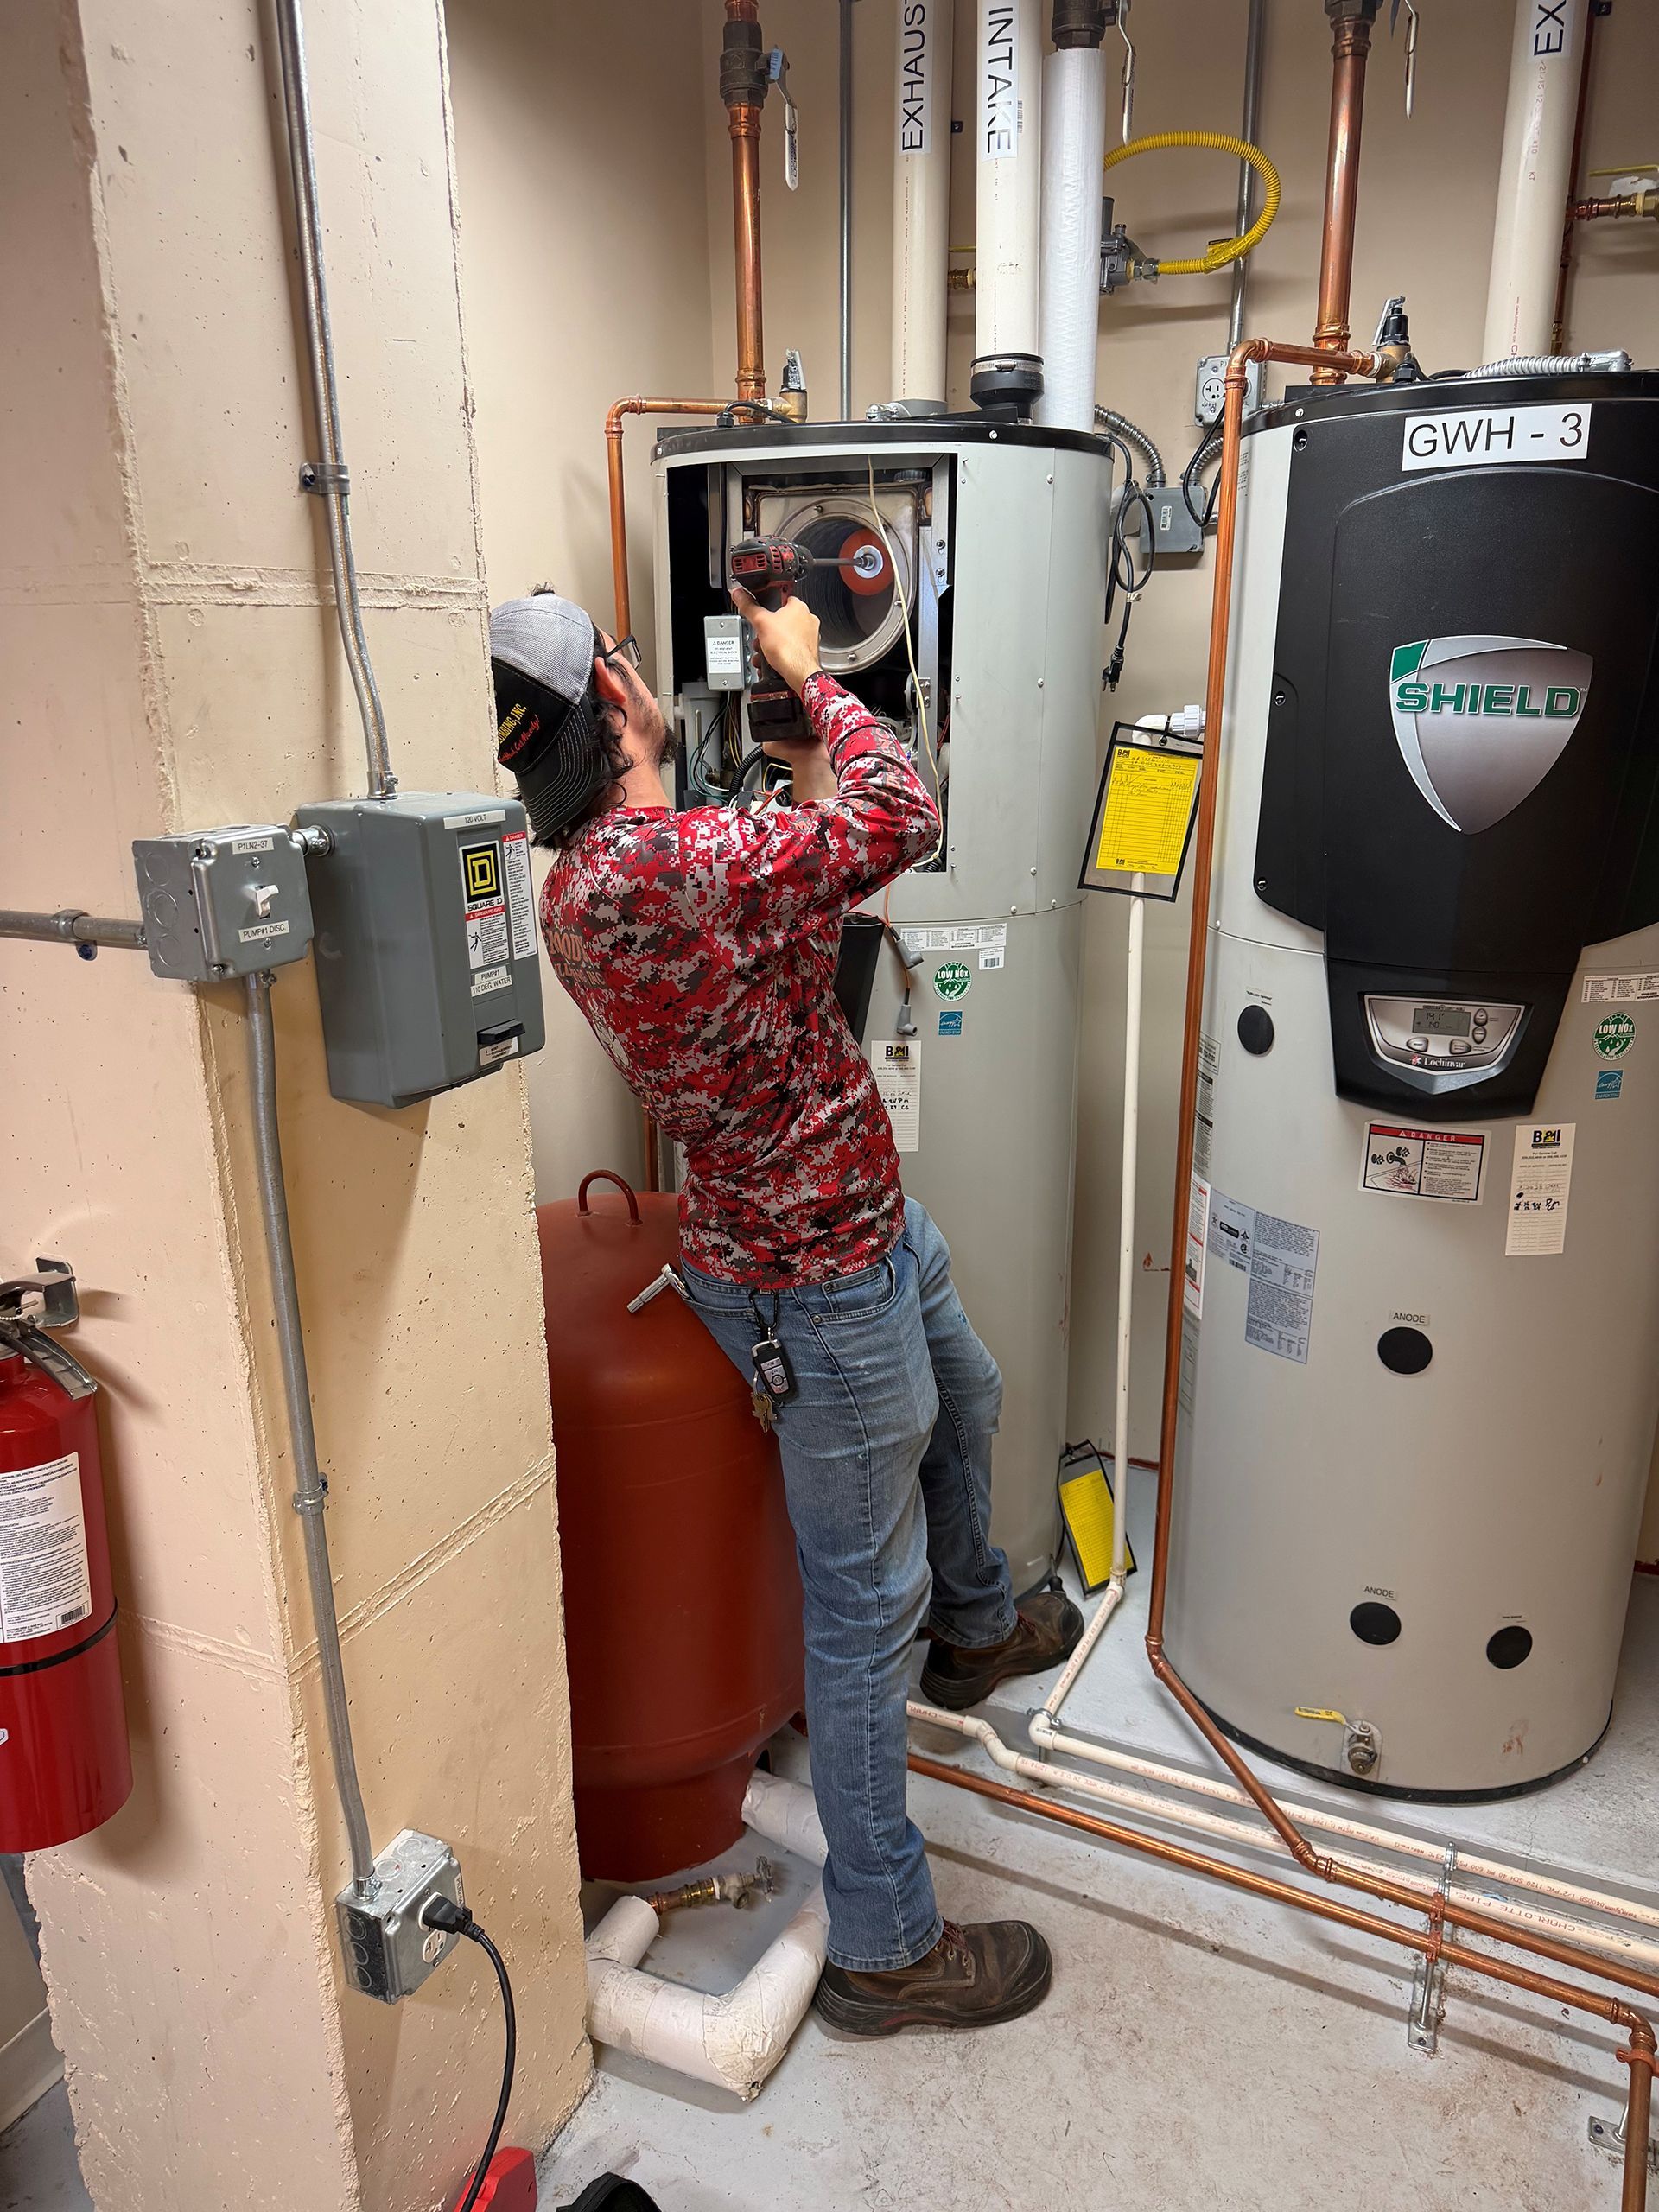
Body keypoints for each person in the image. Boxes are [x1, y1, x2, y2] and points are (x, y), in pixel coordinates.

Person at [490, 582, 1082, 2035]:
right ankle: (887, 1943)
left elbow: (753, 906)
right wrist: (820, 679)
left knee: (979, 1390)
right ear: (615, 700)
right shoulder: (672, 865)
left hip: (851, 1221)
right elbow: (902, 817)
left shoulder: (588, 874)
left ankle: (983, 1620)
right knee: (857, 1613)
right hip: (814, 1274)